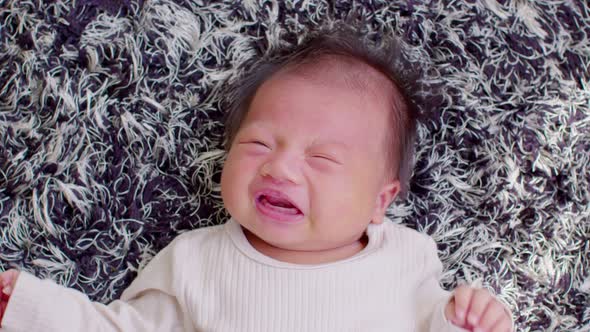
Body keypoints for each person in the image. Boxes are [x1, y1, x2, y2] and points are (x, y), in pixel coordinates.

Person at [0, 24, 513, 332]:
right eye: (258, 144)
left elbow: (434, 322)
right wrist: (31, 308)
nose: (280, 167)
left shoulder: (405, 259)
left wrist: (469, 319)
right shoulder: (195, 260)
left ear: (380, 201)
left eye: (322, 159)